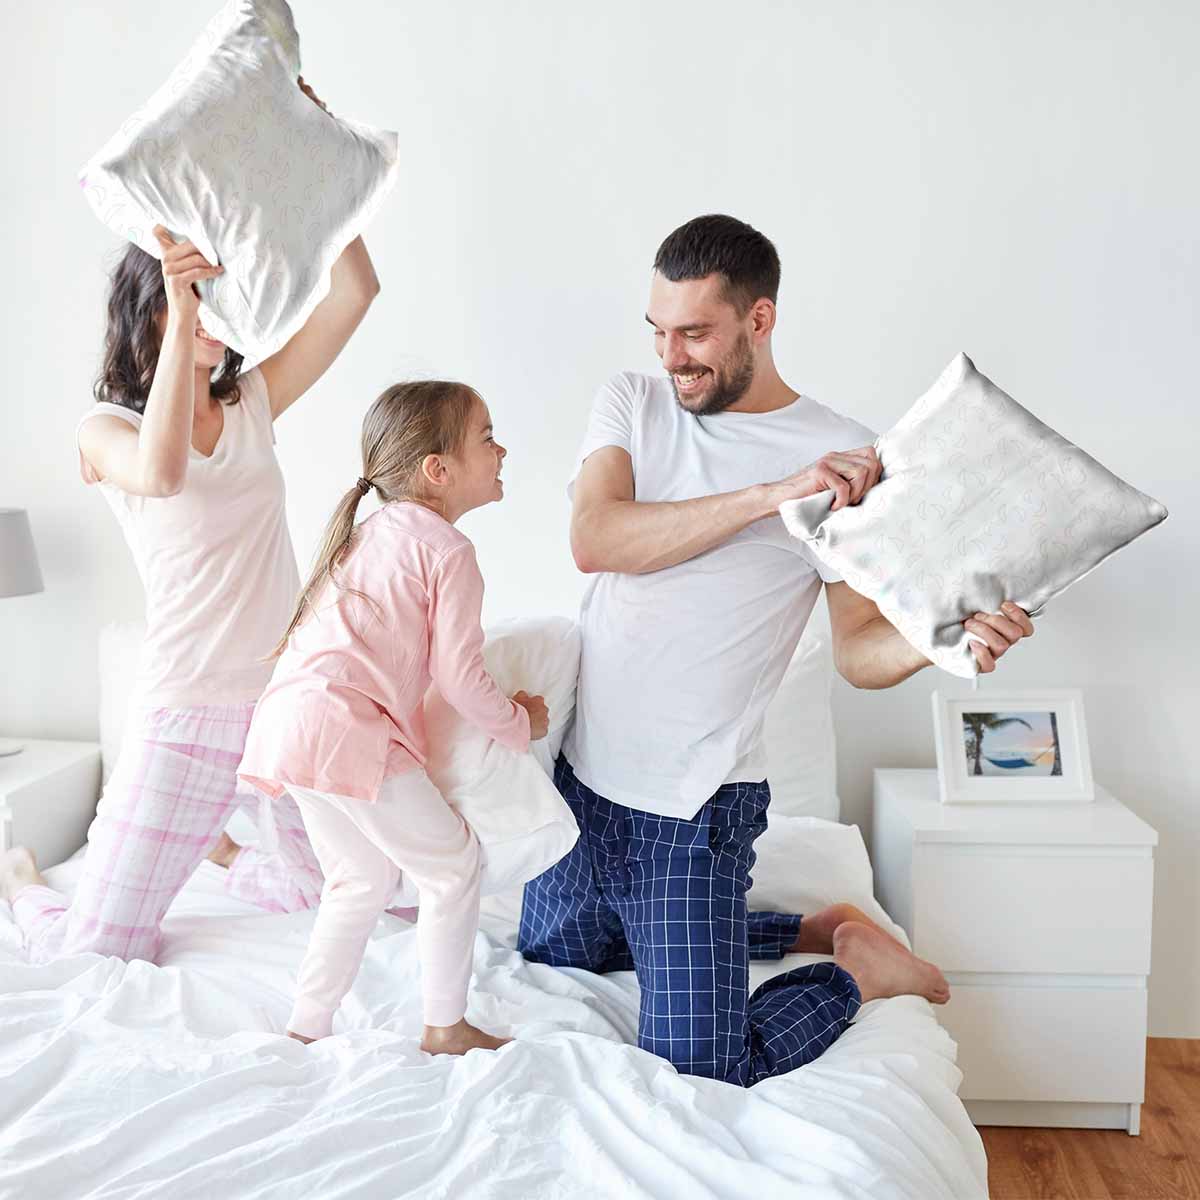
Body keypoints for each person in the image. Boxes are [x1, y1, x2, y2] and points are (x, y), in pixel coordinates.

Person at [519, 213, 1035, 1086]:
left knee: (705, 1065)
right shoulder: (633, 402)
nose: (671, 356)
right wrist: (771, 497)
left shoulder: (841, 459)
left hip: (692, 812)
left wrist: (942, 643)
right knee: (554, 948)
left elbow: (859, 653)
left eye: (694, 333)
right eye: (658, 331)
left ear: (759, 320)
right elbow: (596, 538)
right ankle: (802, 926)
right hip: (586, 778)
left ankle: (856, 970)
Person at [0, 80, 379, 961]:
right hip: (187, 712)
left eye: (220, 294)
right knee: (99, 950)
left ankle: (228, 851)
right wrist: (181, 314)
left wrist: (317, 141)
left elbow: (356, 292)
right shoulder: (104, 431)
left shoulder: (250, 402)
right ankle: (24, 887)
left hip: (284, 700)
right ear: (155, 306)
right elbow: (163, 474)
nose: (217, 313)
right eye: (196, 294)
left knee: (333, 893)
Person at [237, 381, 550, 1057]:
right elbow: (460, 678)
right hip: (346, 729)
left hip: (290, 723)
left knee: (361, 879)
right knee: (453, 867)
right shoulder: (447, 549)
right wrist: (518, 723)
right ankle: (444, 1026)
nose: (501, 451)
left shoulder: (368, 535)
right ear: (438, 469)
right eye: (487, 438)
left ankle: (306, 1024)